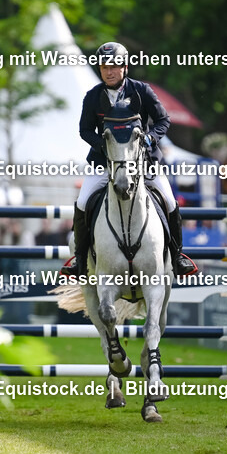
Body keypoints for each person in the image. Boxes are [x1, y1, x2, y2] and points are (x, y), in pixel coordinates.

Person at [61, 41, 197, 277]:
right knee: (83, 202)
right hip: (105, 163)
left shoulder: (142, 91)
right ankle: (79, 259)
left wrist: (150, 139)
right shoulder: (92, 96)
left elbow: (163, 121)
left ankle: (177, 256)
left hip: (143, 162)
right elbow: (84, 131)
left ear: (125, 67)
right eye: (104, 67)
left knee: (170, 201)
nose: (109, 71)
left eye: (114, 66)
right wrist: (105, 146)